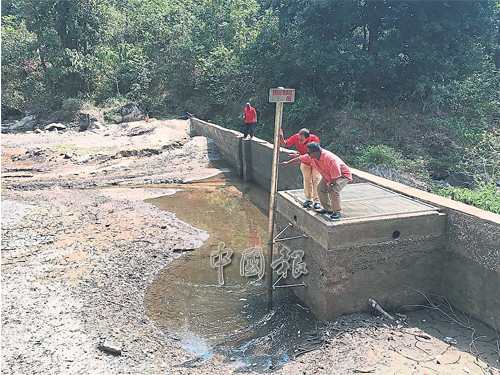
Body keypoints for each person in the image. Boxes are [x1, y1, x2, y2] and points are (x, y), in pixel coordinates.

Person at [280, 142, 352, 220]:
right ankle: (328, 209)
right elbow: (300, 159)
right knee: (320, 188)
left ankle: (337, 212)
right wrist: (287, 163)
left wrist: (331, 185)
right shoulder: (311, 157)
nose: (307, 154)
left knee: (333, 191)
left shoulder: (330, 159)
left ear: (315, 153)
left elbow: (336, 175)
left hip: (341, 175)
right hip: (328, 175)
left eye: (308, 152)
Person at [279, 128, 321, 209]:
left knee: (316, 179)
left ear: (307, 138)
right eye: (298, 139)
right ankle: (309, 199)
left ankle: (317, 200)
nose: (299, 141)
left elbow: (311, 155)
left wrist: (297, 156)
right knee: (306, 179)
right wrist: (281, 137)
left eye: (301, 140)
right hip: (304, 162)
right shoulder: (296, 137)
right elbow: (285, 144)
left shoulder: (314, 139)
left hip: (315, 161)